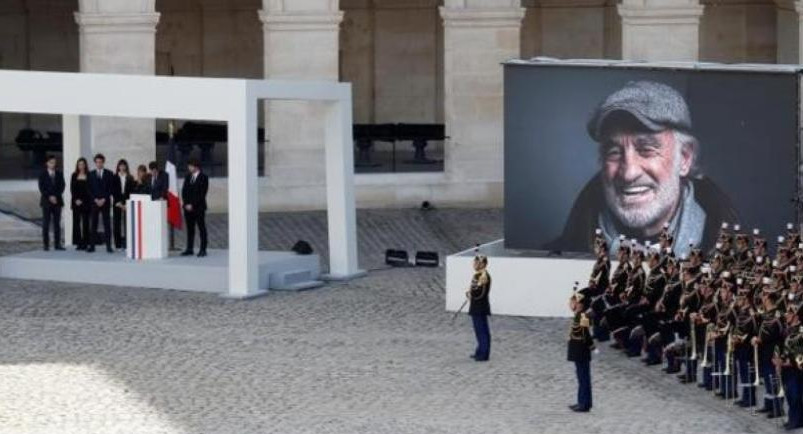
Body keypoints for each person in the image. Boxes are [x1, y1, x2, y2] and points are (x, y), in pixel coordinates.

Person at [546, 80, 737, 257]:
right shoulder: (552, 261)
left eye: (646, 150)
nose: (629, 173)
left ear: (684, 159)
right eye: (614, 152)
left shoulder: (744, 266)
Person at [568, 287, 595, 412]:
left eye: (576, 302)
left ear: (581, 304)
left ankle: (584, 403)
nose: (573, 304)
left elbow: (585, 334)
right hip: (578, 350)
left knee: (583, 377)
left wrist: (592, 347)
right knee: (581, 377)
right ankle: (582, 401)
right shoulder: (579, 315)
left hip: (581, 350)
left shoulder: (583, 316)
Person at [181, 157, 209, 257]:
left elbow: (202, 193)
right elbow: (184, 191)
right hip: (187, 208)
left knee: (201, 228)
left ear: (196, 166)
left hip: (199, 207)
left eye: (191, 166)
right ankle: (189, 248)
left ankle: (203, 249)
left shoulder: (203, 177)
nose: (189, 167)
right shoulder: (188, 177)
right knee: (190, 228)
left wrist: (192, 204)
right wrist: (186, 204)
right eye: (189, 166)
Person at [87, 153, 114, 253]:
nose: (99, 164)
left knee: (107, 224)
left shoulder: (109, 173)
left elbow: (111, 188)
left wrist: (104, 199)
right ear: (95, 163)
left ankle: (108, 246)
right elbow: (89, 189)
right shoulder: (91, 174)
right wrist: (95, 199)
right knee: (93, 224)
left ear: (103, 162)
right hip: (94, 202)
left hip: (105, 202)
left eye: (100, 162)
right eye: (97, 162)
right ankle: (92, 246)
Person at [466, 254, 491, 362]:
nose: (475, 264)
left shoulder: (482, 276)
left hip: (479, 307)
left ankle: (483, 353)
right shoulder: (479, 275)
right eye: (475, 262)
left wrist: (471, 293)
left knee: (481, 331)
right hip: (479, 306)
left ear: (483, 264)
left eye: (477, 263)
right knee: (481, 330)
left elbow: (480, 293)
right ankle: (480, 350)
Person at [37, 155, 65, 251]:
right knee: (46, 223)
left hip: (57, 201)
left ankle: (57, 244)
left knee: (57, 223)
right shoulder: (42, 174)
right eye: (51, 162)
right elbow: (41, 188)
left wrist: (56, 196)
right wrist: (50, 196)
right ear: (47, 163)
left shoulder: (59, 173)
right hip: (46, 202)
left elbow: (62, 186)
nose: (53, 164)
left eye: (54, 162)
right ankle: (46, 244)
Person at [112, 159, 134, 249]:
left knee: (127, 224)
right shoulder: (114, 177)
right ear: (118, 167)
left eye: (124, 165)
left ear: (126, 167)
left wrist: (126, 204)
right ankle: (117, 244)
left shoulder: (130, 177)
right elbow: (113, 190)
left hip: (127, 203)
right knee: (116, 223)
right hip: (117, 202)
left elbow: (131, 191)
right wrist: (118, 202)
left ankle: (127, 243)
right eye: (120, 166)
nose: (122, 167)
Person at [70, 158, 91, 250]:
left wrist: (82, 200)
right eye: (79, 164)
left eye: (82, 164)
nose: (81, 166)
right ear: (77, 165)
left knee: (86, 223)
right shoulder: (74, 175)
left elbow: (90, 190)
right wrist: (76, 200)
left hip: (86, 202)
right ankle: (78, 243)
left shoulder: (89, 175)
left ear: (85, 165)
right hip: (76, 202)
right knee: (76, 223)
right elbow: (72, 189)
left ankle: (86, 243)